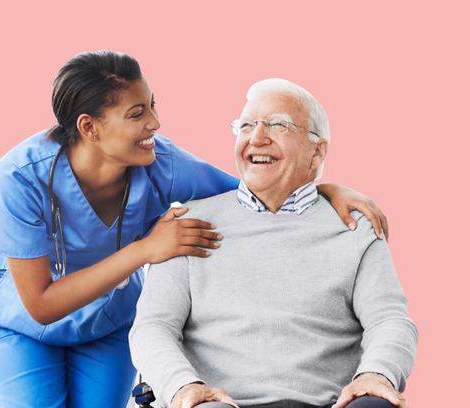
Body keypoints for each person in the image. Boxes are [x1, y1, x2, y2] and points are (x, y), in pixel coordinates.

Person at [0, 51, 390, 408]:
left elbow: (257, 190)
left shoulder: (163, 164)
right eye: (137, 113)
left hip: (106, 322)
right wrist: (145, 251)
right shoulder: (21, 175)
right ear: (90, 127)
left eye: (152, 105)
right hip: (23, 326)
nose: (156, 122)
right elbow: (41, 304)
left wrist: (323, 186)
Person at [129, 78, 418, 408]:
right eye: (247, 125)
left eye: (278, 125)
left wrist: (377, 375)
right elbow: (153, 328)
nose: (257, 138)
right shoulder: (186, 225)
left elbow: (389, 321)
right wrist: (183, 386)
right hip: (217, 403)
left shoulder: (355, 228)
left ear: (317, 150)